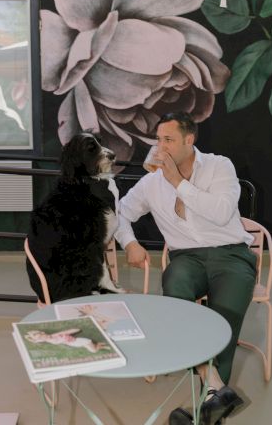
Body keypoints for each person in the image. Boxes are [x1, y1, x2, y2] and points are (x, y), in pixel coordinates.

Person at [115, 112, 257, 425]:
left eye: (169, 140)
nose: (160, 147)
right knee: (175, 288)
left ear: (188, 141)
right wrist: (130, 243)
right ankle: (217, 390)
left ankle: (209, 404)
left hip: (231, 254)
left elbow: (221, 214)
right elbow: (119, 213)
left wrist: (177, 182)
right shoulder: (151, 183)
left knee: (226, 316)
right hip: (187, 258)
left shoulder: (220, 166)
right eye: (158, 139)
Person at [25, 329, 110, 353]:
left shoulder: (54, 335)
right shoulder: (47, 340)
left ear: (43, 333)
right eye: (41, 337)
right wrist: (29, 337)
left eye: (43, 335)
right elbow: (34, 340)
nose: (44, 337)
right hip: (75, 343)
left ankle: (99, 345)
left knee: (93, 350)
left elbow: (64, 332)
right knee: (92, 349)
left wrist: (74, 330)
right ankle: (100, 345)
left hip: (79, 341)